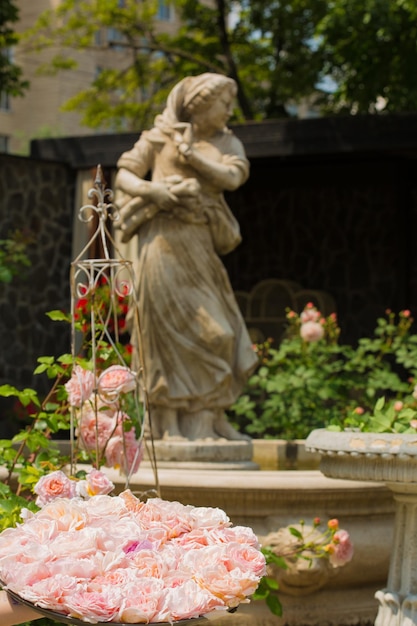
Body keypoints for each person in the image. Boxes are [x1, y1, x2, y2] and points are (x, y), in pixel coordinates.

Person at [115, 73, 258, 441]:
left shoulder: (228, 142)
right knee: (162, 331)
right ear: (200, 105)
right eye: (223, 103)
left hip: (198, 243)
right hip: (161, 242)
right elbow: (125, 174)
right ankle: (168, 422)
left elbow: (232, 178)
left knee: (219, 332)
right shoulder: (159, 136)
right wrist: (155, 191)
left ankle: (208, 418)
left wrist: (192, 156)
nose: (229, 109)